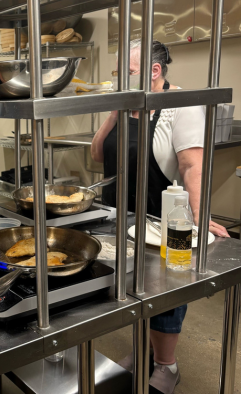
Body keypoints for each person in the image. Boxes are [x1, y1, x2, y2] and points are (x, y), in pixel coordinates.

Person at [91, 39, 229, 394]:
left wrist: (198, 218)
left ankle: (167, 365)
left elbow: (192, 165)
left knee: (165, 293)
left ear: (154, 72)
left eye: (129, 73)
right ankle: (143, 352)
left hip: (158, 217)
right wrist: (115, 108)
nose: (122, 78)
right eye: (119, 73)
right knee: (129, 289)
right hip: (116, 214)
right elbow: (95, 153)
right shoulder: (126, 106)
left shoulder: (178, 107)